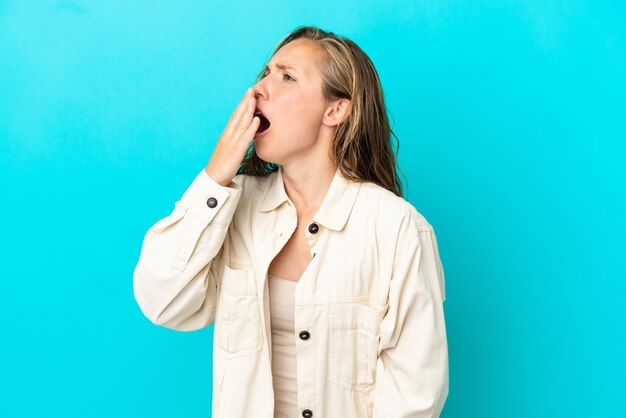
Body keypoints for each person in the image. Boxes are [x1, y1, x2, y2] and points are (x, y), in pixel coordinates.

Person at [133, 25, 448, 418]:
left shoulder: (397, 228)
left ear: (335, 110)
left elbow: (413, 395)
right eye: (265, 73)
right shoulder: (231, 207)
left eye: (286, 76)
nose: (259, 89)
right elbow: (162, 301)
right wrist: (214, 178)